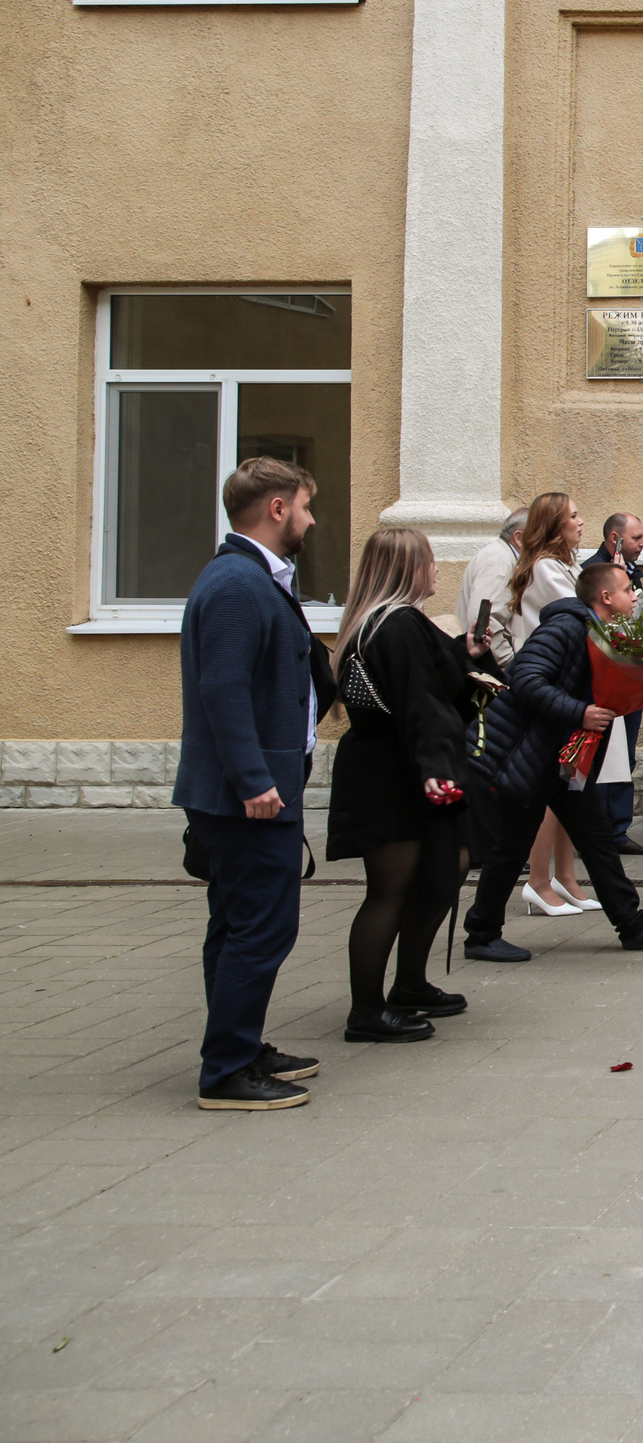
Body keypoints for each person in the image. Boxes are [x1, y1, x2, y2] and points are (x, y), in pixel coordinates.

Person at [176, 457, 339, 1109]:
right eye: (304, 505)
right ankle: (227, 1069)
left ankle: (239, 1043)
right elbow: (222, 688)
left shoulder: (253, 577)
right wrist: (252, 778)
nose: (310, 517)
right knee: (261, 927)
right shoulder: (239, 583)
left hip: (260, 784)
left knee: (239, 923)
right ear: (277, 509)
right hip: (249, 794)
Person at [461, 560, 643, 959]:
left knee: (596, 839)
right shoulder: (564, 627)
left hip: (562, 758)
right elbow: (526, 680)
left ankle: (631, 924)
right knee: (511, 846)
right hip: (528, 756)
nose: (634, 596)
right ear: (605, 597)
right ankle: (481, 935)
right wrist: (579, 712)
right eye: (626, 590)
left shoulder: (601, 633)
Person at [325, 527, 484, 1042]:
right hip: (396, 770)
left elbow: (436, 682)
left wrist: (468, 653)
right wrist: (438, 768)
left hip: (394, 763)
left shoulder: (382, 623)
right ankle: (367, 1011)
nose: (438, 569)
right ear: (408, 568)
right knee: (390, 890)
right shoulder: (396, 625)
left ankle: (410, 984)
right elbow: (423, 702)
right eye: (431, 560)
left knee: (443, 868)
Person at [502, 494, 595, 915]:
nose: (580, 521)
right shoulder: (545, 568)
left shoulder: (567, 565)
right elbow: (588, 615)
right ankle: (539, 882)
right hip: (553, 695)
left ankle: (567, 876)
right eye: (573, 515)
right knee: (550, 789)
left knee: (569, 785)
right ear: (554, 524)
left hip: (571, 691)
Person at [586, 513, 643, 857]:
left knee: (624, 756)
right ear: (615, 538)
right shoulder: (593, 573)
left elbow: (642, 620)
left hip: (631, 677)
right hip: (605, 681)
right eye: (637, 538)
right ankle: (596, 832)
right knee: (600, 758)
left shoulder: (633, 575)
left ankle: (618, 829)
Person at [453, 508, 524, 668]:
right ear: (519, 538)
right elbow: (484, 619)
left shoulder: (501, 556)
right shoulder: (500, 561)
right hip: (493, 669)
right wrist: (511, 661)